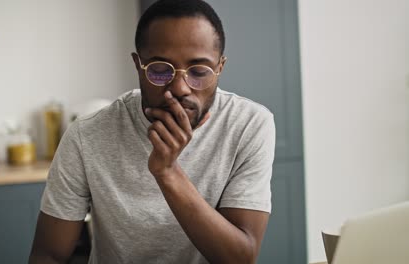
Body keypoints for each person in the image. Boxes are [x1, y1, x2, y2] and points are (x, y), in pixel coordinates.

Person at [29, 0, 275, 263]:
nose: (180, 88)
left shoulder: (249, 124)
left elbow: (241, 258)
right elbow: (49, 254)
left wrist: (168, 172)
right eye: (160, 70)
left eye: (199, 71)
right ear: (138, 65)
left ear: (219, 67)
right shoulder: (86, 135)